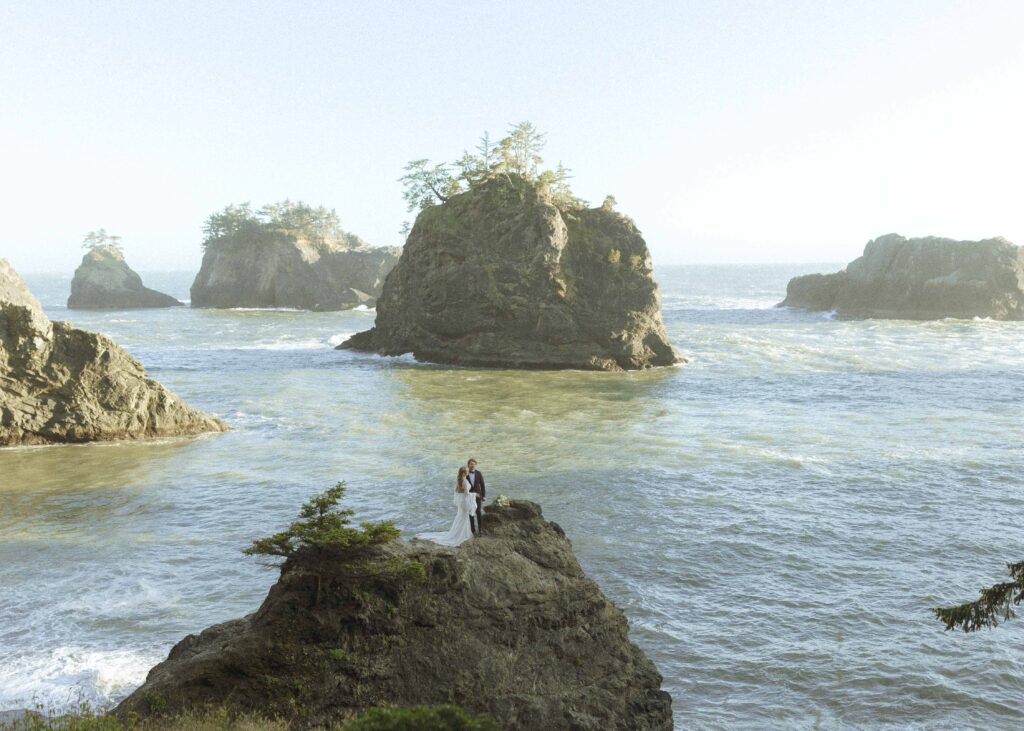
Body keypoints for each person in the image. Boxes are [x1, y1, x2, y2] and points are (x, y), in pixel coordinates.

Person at [415, 467, 477, 546]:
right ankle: (461, 534)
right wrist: (475, 494)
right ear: (464, 472)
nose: (468, 472)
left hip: (461, 502)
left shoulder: (459, 480)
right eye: (467, 471)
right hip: (464, 501)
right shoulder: (464, 481)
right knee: (463, 517)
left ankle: (457, 532)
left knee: (460, 516)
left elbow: (458, 492)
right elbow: (467, 494)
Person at [466, 458, 485, 535]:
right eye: (471, 464)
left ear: (475, 465)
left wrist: (483, 496)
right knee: (471, 513)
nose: (473, 466)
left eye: (474, 464)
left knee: (478, 512)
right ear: (468, 465)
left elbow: (482, 485)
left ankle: (480, 530)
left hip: (478, 496)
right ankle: (472, 530)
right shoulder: (466, 473)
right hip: (469, 496)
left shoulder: (479, 473)